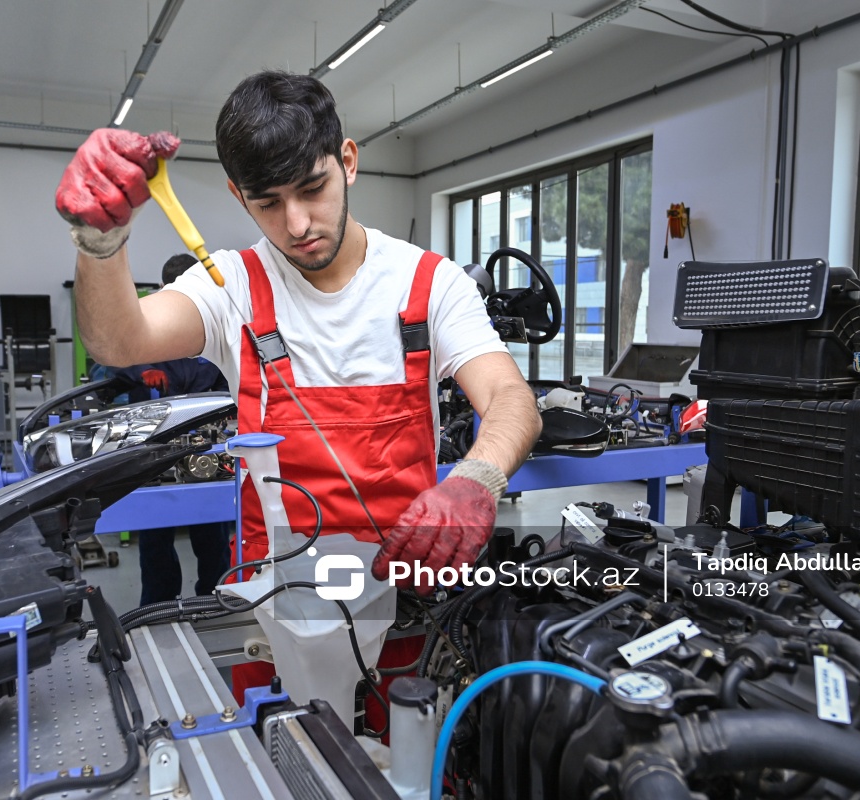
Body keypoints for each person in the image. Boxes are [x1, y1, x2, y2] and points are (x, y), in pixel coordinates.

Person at [56, 71, 541, 726]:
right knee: (281, 758)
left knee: (415, 757)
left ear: (348, 161)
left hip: (408, 609)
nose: (297, 224)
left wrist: (476, 480)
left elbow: (510, 395)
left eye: (313, 189)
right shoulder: (231, 286)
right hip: (279, 618)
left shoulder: (429, 283)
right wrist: (100, 243)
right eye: (268, 202)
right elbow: (118, 340)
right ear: (239, 196)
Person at [89, 254, 233, 604]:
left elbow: (229, 376)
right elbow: (101, 368)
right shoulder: (141, 316)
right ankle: (158, 604)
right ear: (165, 288)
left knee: (211, 530)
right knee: (155, 532)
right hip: (151, 445)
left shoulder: (212, 321)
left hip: (203, 446)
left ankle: (214, 600)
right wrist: (139, 372)